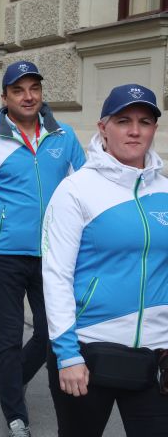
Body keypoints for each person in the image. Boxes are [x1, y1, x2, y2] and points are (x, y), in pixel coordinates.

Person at [0, 60, 86, 437]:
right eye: (19, 89)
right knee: (9, 335)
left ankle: (11, 376)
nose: (28, 96)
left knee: (51, 330)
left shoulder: (64, 137)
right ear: (5, 97)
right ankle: (16, 415)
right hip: (5, 255)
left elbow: (86, 189)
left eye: (34, 88)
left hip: (54, 254)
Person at [42, 84, 168, 437]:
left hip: (155, 357)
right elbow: (56, 276)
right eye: (123, 120)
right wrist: (67, 354)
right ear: (103, 128)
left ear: (154, 129)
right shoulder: (76, 190)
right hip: (87, 352)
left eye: (145, 121)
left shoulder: (165, 192)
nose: (134, 130)